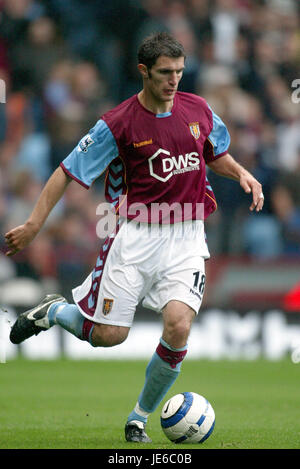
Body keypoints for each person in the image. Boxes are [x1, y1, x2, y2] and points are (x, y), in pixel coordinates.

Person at [5, 32, 264, 443]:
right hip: (134, 236)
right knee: (108, 336)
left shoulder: (197, 108)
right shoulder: (117, 123)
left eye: (179, 71)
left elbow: (214, 154)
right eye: (165, 73)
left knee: (178, 326)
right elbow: (65, 172)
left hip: (186, 236)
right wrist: (35, 224)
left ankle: (138, 418)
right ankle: (55, 312)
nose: (174, 80)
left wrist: (242, 173)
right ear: (143, 71)